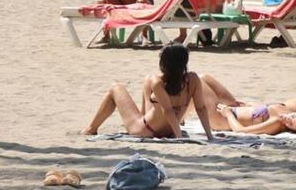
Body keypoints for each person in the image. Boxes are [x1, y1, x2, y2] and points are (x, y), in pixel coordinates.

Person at [79, 44, 215, 139]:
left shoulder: (158, 82)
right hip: (168, 130)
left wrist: (179, 137)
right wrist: (210, 136)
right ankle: (143, 116)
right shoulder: (192, 79)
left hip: (145, 130)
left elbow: (168, 110)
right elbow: (201, 108)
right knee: (147, 79)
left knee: (116, 88)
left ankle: (91, 128)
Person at [214, 104, 296, 135]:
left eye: (290, 124)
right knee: (206, 78)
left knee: (200, 79)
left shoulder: (277, 123)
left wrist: (228, 114)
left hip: (222, 118)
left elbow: (240, 131)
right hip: (233, 107)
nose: (287, 119)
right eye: (293, 116)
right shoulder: (285, 109)